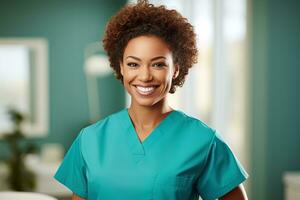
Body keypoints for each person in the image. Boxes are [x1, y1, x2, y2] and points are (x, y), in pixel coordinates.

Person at [54, 0, 249, 199]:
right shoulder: (90, 140)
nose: (145, 76)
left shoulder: (203, 141)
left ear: (176, 70)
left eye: (158, 65)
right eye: (133, 64)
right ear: (121, 67)